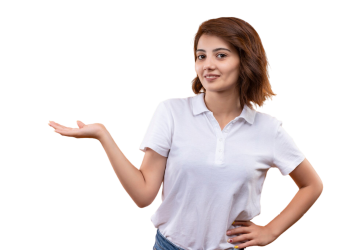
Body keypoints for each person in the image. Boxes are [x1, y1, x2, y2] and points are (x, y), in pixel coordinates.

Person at [47, 16, 324, 250]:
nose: (208, 65)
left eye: (221, 55)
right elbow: (143, 196)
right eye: (201, 56)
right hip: (169, 246)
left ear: (245, 61)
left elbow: (312, 185)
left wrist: (271, 231)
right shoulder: (171, 112)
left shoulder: (268, 129)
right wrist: (103, 136)